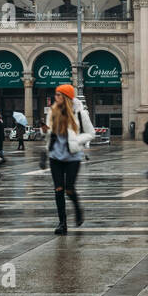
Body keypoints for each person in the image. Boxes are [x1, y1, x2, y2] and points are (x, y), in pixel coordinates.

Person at [47, 84, 92, 234]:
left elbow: (91, 133)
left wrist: (77, 141)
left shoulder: (80, 113)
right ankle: (62, 223)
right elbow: (49, 133)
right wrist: (45, 133)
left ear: (66, 97)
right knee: (58, 189)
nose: (56, 97)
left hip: (73, 156)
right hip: (55, 156)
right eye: (55, 94)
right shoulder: (52, 112)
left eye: (59, 95)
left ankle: (78, 209)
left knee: (69, 189)